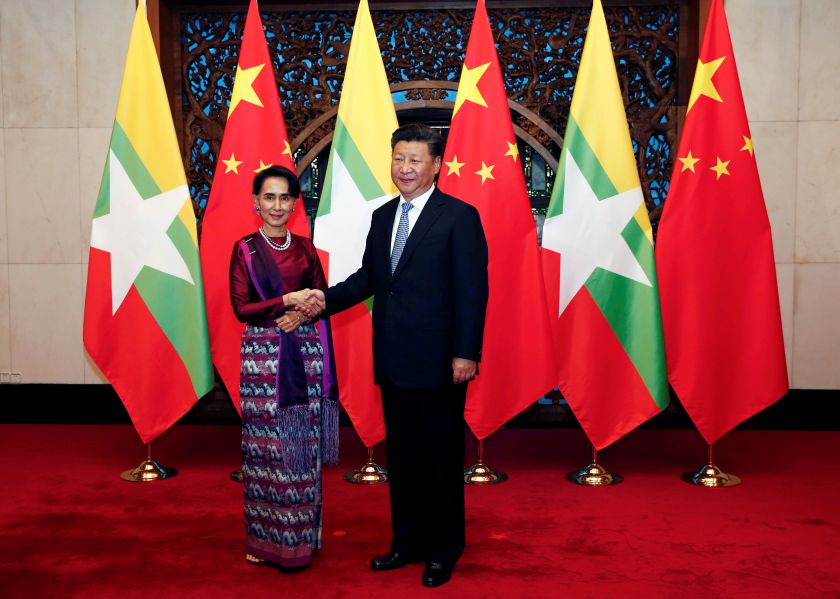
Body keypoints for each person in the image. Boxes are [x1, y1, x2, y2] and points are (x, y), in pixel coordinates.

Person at [305, 123, 488, 587]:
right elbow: (370, 278)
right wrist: (323, 299)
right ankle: (406, 542)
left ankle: (443, 550)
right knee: (403, 458)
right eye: (399, 158)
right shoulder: (384, 215)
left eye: (415, 160)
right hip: (392, 357)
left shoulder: (459, 216)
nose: (404, 168)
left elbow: (473, 290)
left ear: (436, 165)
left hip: (441, 362)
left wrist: (466, 352)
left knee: (440, 459)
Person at [228, 165, 338, 569]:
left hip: (306, 356)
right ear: (255, 203)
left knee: (303, 447)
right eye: (269, 197)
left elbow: (322, 296)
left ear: (295, 204)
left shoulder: (306, 248)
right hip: (262, 361)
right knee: (268, 449)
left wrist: (301, 313)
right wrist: (288, 301)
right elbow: (242, 308)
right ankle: (265, 541)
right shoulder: (245, 249)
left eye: (285, 197)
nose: (277, 205)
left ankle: (301, 539)